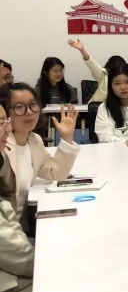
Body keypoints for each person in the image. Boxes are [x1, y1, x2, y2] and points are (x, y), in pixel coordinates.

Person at [0, 83, 79, 222]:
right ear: (5, 113)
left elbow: (55, 173)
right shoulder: (3, 147)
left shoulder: (34, 140)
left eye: (33, 105)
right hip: (7, 227)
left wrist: (67, 137)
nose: (29, 112)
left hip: (20, 223)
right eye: (19, 107)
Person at [0, 109, 35, 292]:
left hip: (16, 252)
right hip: (9, 284)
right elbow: (12, 252)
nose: (8, 129)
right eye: (0, 123)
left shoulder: (2, 159)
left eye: (5, 121)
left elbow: (9, 218)